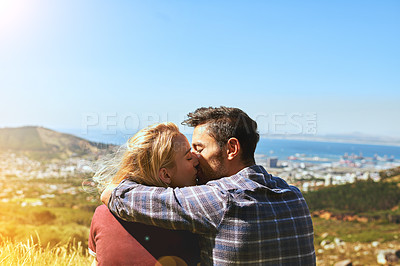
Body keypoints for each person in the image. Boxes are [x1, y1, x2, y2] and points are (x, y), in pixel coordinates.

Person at [103, 106, 316, 265]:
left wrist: (112, 189)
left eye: (199, 148)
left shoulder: (220, 200)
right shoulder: (294, 196)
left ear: (232, 148)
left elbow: (119, 196)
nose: (195, 157)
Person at [89, 122, 201, 265]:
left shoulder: (103, 214)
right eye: (188, 157)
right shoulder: (191, 221)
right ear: (165, 175)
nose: (196, 160)